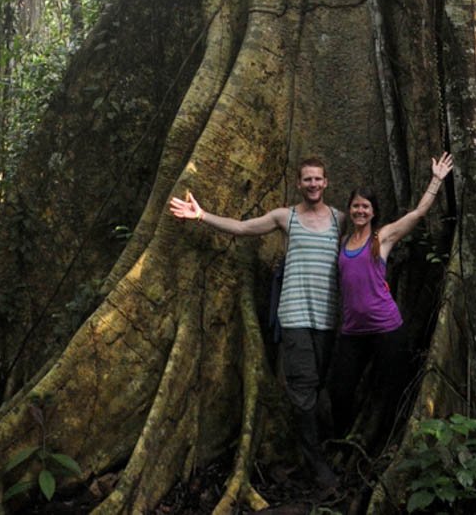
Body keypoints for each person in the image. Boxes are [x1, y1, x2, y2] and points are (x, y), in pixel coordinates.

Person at [169, 156, 340, 491]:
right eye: (307, 179)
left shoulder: (340, 219)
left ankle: (323, 453)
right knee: (303, 391)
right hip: (294, 318)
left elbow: (371, 240)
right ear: (299, 183)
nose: (313, 185)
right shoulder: (285, 216)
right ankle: (316, 465)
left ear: (326, 182)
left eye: (318, 179)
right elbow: (244, 228)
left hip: (329, 319)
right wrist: (201, 215)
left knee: (323, 389)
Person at [331, 152, 454, 440]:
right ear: (349, 210)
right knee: (339, 389)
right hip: (352, 331)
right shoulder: (342, 242)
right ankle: (341, 439)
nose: (360, 211)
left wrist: (436, 180)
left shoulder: (381, 238)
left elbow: (417, 214)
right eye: (355, 206)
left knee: (390, 389)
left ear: (373, 212)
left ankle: (386, 443)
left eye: (366, 207)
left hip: (386, 327)